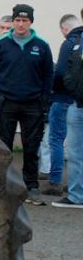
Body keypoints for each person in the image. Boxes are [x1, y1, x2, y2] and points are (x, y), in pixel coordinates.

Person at [0, 4, 54, 205]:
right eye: (17, 20)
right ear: (13, 21)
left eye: (25, 20)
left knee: (31, 147)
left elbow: (48, 74)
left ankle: (31, 186)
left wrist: (44, 98)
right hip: (6, 103)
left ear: (31, 22)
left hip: (32, 104)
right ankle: (4, 185)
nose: (21, 24)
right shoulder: (1, 44)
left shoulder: (41, 45)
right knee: (3, 146)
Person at [41, 14, 83, 196]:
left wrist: (53, 89)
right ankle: (76, 183)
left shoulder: (69, 44)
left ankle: (55, 181)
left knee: (56, 140)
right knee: (77, 145)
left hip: (63, 99)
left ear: (64, 28)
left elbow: (59, 73)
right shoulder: (80, 41)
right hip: (77, 99)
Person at [54, 24, 83, 208]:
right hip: (77, 105)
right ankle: (76, 196)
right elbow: (67, 70)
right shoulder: (78, 44)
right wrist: (73, 91)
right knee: (74, 153)